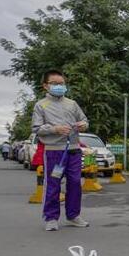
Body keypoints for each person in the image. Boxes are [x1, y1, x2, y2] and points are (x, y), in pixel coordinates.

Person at [31, 69, 89, 231]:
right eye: (55, 83)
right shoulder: (41, 105)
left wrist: (83, 125)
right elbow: (36, 128)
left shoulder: (72, 103)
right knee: (53, 184)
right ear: (45, 85)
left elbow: (84, 120)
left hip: (74, 150)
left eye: (61, 83)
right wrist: (54, 129)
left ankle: (73, 216)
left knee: (75, 183)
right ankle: (51, 218)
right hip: (53, 152)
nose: (59, 86)